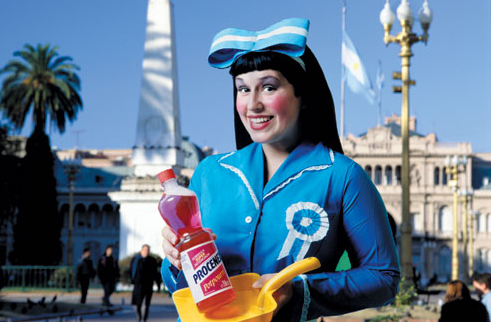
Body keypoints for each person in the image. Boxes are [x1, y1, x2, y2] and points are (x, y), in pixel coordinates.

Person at [161, 17, 400, 321]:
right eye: (243, 89)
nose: (253, 104)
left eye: (268, 87)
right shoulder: (208, 173)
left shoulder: (343, 176)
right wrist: (173, 260)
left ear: (303, 94)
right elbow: (177, 283)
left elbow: (383, 277)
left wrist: (299, 291)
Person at [130, 244, 160, 322]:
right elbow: (131, 271)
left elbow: (155, 273)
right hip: (138, 285)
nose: (146, 252)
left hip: (148, 285)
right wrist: (132, 280)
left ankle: (144, 319)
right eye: (145, 250)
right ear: (141, 250)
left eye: (147, 250)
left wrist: (158, 285)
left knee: (146, 304)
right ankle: (139, 317)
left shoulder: (152, 260)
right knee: (137, 304)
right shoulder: (136, 259)